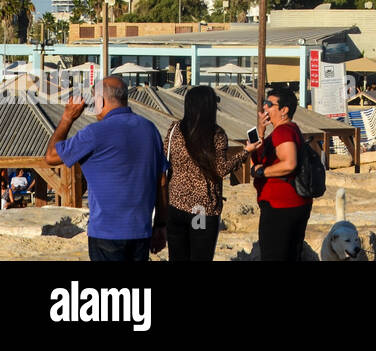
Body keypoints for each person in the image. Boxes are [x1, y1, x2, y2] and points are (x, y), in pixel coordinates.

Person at [45, 76, 167, 262]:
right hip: (140, 230)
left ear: (100, 100)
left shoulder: (94, 133)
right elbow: (162, 181)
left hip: (107, 232)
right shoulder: (150, 129)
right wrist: (160, 225)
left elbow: (51, 156)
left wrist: (67, 117)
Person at [163, 84, 251, 261]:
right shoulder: (216, 134)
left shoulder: (174, 130)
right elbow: (220, 169)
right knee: (200, 256)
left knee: (177, 257)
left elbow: (165, 158)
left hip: (175, 207)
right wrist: (245, 152)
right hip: (200, 210)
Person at [247, 87, 313, 261]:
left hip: (282, 206)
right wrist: (260, 130)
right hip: (288, 203)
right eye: (264, 103)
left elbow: (289, 163)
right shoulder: (284, 130)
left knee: (274, 255)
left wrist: (262, 172)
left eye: (269, 104)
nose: (264, 108)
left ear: (284, 110)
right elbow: (259, 156)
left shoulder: (284, 131)